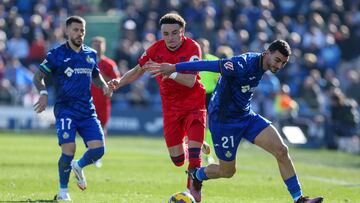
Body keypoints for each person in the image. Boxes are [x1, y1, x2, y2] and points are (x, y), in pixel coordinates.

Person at [146, 40, 324, 203]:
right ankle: (197, 175)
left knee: (281, 150)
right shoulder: (242, 64)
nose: (279, 65)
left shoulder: (264, 66)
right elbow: (209, 65)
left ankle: (299, 199)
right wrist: (175, 67)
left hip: (245, 116)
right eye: (277, 60)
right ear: (267, 52)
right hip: (224, 122)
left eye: (283, 63)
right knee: (227, 171)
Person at [108, 13, 206, 202]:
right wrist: (119, 82)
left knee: (194, 158)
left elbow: (190, 80)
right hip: (170, 109)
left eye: (174, 33)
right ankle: (193, 143)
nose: (170, 38)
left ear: (182, 32)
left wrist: (171, 70)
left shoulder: (193, 47)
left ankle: (193, 195)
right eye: (166, 33)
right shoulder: (155, 49)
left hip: (194, 105)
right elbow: (138, 70)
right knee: (178, 161)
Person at [33, 16, 112, 201]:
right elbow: (38, 76)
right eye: (76, 30)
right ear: (67, 31)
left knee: (99, 150)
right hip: (66, 110)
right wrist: (43, 93)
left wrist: (104, 86)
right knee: (68, 150)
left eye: (82, 30)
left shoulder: (90, 54)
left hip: (87, 111)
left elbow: (96, 75)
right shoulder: (56, 54)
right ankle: (63, 192)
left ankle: (79, 166)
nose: (79, 34)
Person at [90, 36, 120, 137]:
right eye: (95, 45)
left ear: (104, 47)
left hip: (102, 101)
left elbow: (117, 81)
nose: (97, 48)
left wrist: (102, 78)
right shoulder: (86, 62)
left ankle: (101, 150)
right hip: (87, 101)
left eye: (99, 45)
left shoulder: (110, 64)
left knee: (102, 128)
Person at [197, 38, 219, 165]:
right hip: (196, 95)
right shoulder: (193, 61)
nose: (202, 48)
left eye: (204, 46)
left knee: (209, 126)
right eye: (200, 46)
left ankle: (208, 154)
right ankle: (196, 151)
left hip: (210, 95)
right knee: (198, 125)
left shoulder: (214, 60)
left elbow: (219, 80)